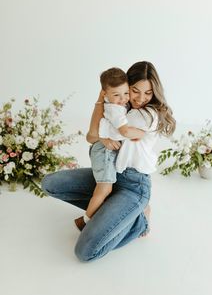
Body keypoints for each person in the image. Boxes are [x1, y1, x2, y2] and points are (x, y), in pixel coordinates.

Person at [41, 61, 176, 262]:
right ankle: (115, 212)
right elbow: (92, 136)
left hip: (133, 185)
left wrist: (104, 102)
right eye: (135, 91)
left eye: (148, 93)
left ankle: (138, 222)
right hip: (111, 174)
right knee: (50, 183)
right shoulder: (121, 108)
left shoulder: (147, 114)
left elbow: (95, 134)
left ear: (155, 92)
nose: (140, 98)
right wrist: (102, 98)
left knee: (85, 252)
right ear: (125, 87)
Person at [74, 67, 145, 231]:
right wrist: (142, 133)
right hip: (104, 152)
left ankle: (93, 216)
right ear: (104, 94)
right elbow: (124, 131)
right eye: (116, 95)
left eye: (126, 93)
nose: (123, 99)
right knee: (105, 188)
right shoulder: (114, 109)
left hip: (104, 150)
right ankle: (84, 221)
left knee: (107, 188)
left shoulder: (116, 104)